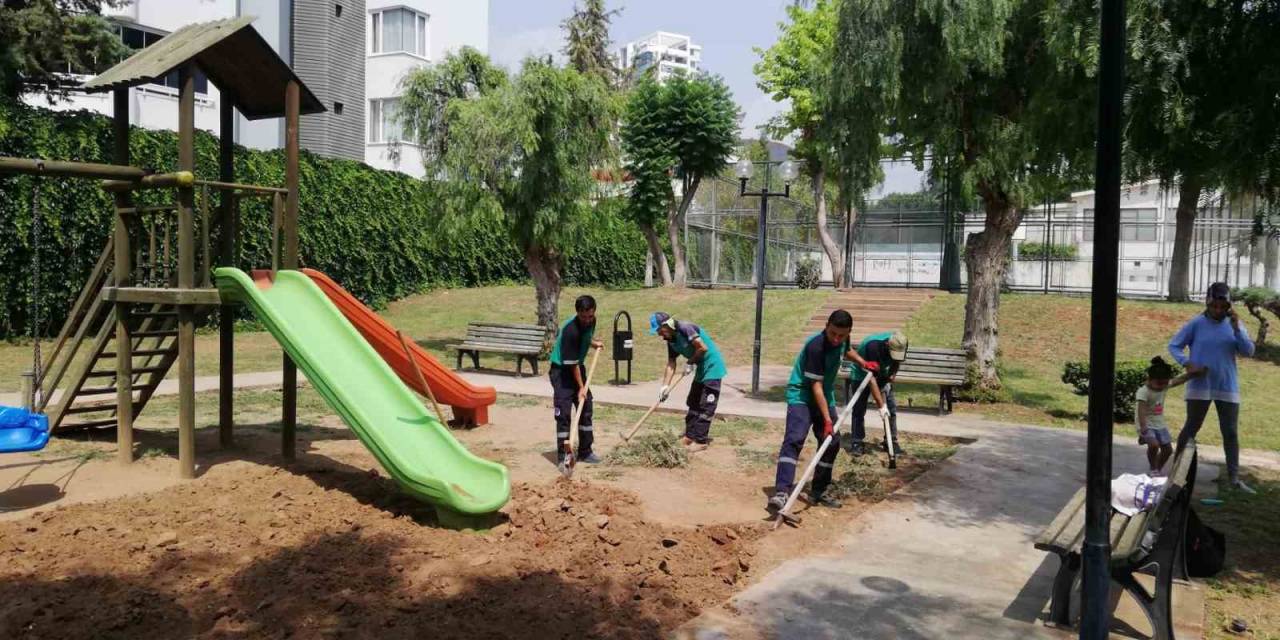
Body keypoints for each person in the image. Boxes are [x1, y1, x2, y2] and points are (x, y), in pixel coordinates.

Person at [767, 309, 860, 513]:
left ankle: (819, 490)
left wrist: (863, 363)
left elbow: (846, 349)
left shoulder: (842, 338)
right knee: (794, 439)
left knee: (832, 443)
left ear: (848, 332)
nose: (837, 339)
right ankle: (782, 492)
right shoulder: (816, 346)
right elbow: (815, 386)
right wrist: (827, 421)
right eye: (833, 333)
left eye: (842, 335)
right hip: (802, 395)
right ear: (826, 326)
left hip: (824, 395)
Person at [1170, 282, 1256, 494]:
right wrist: (1186, 363)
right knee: (1191, 428)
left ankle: (1234, 479)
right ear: (1208, 303)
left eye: (1222, 307)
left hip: (1227, 385)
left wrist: (1237, 329)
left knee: (1230, 432)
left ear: (1228, 306)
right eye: (1214, 306)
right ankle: (1175, 474)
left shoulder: (1234, 324)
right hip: (1200, 384)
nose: (1218, 310)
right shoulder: (1197, 323)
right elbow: (1174, 345)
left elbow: (1249, 351)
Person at [651, 312, 728, 452]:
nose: (659, 334)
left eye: (659, 330)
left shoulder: (685, 328)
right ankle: (690, 436)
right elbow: (671, 363)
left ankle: (700, 440)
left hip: (712, 366)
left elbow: (702, 348)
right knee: (693, 401)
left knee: (706, 405)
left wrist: (690, 362)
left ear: (666, 325)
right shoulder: (671, 340)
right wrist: (665, 386)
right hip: (701, 368)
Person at [549, 295, 604, 473]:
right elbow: (572, 365)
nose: (587, 320)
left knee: (586, 407)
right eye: (584, 317)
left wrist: (593, 343)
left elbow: (586, 337)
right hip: (562, 372)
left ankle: (585, 452)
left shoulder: (591, 321)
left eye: (590, 316)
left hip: (577, 368)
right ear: (577, 313)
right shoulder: (570, 330)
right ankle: (563, 457)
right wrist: (581, 387)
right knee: (563, 414)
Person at [845, 331, 909, 456]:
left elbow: (897, 361)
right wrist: (881, 406)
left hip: (882, 372)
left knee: (891, 408)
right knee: (859, 409)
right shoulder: (872, 346)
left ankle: (891, 440)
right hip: (862, 373)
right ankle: (857, 442)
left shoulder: (902, 342)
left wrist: (891, 375)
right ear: (887, 345)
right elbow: (871, 379)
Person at [1136, 357, 1193, 476]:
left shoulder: (1164, 385)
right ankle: (1153, 467)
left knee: (1168, 450)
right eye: (1159, 383)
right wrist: (1143, 427)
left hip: (1159, 423)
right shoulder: (1143, 391)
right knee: (1154, 445)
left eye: (1165, 383)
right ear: (1149, 379)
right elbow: (1141, 410)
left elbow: (1180, 380)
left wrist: (1193, 374)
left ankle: (1157, 469)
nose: (1162, 386)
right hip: (1146, 423)